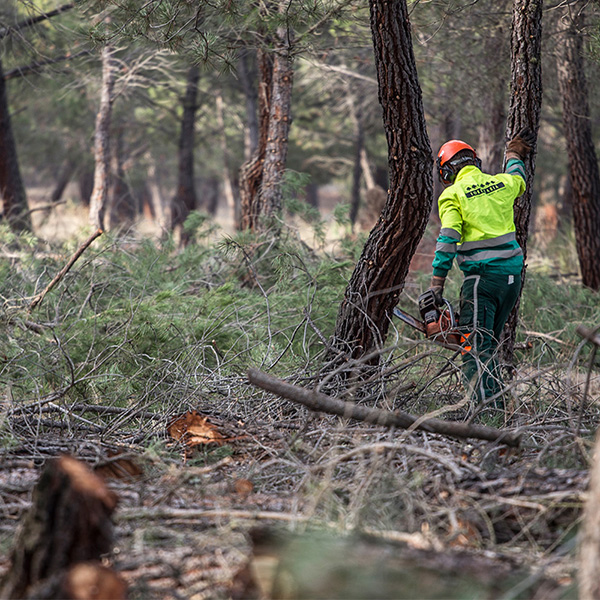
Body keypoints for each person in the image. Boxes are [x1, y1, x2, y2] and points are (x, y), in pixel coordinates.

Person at [425, 129, 535, 406]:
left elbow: (448, 239)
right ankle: (499, 406)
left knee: (473, 347)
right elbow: (518, 178)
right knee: (489, 344)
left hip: (481, 281)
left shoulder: (453, 195)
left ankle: (486, 416)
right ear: (474, 161)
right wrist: (513, 155)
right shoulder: (501, 184)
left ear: (447, 171)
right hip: (512, 278)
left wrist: (437, 284)